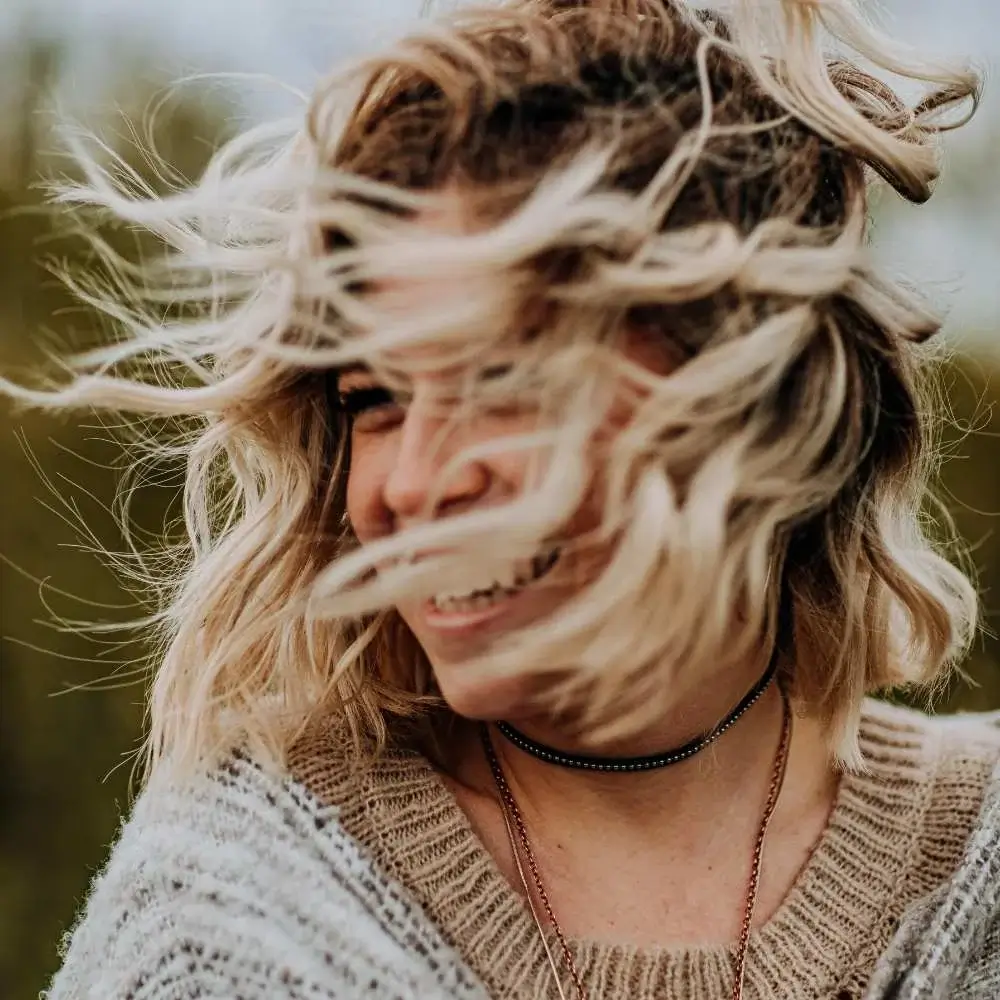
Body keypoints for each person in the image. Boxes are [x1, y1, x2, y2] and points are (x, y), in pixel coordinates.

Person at [8, 0, 999, 998]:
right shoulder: (231, 909)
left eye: (502, 379)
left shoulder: (977, 872)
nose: (414, 483)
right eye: (375, 398)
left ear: (750, 387)